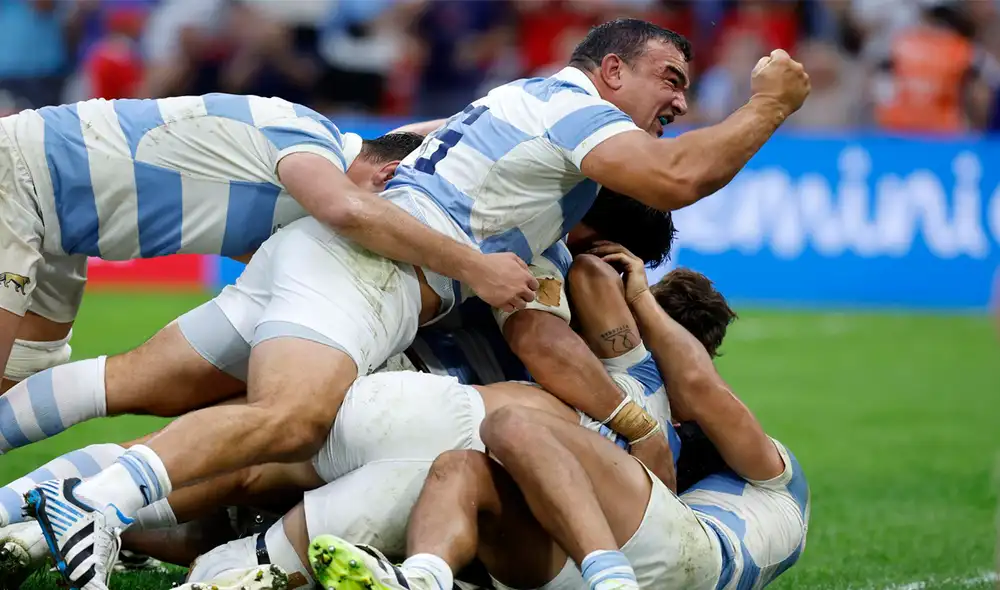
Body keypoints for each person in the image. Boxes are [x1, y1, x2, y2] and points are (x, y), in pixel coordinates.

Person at [28, 17, 810, 590]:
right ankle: (105, 510)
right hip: (367, 280)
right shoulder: (568, 148)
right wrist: (771, 104)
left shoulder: (530, 182)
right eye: (670, 81)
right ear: (610, 72)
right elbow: (676, 180)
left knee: (153, 396)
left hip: (342, 283)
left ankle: (29, 518)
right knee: (288, 431)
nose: (679, 103)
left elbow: (406, 155)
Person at [308, 246, 810, 590]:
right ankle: (424, 578)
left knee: (511, 426)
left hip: (684, 557)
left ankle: (611, 577)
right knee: (458, 470)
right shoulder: (691, 463)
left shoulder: (779, 474)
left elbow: (699, 382)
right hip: (598, 556)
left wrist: (638, 298)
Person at [0, 93, 535, 391]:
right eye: (401, 209)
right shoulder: (308, 137)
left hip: (59, 229)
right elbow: (349, 208)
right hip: (21, 174)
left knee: (23, 379)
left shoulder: (301, 205)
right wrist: (474, 265)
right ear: (387, 178)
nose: (393, 229)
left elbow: (425, 141)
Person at [0, 132, 424, 457]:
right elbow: (347, 209)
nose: (384, 231)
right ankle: (56, 503)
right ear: (387, 176)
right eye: (393, 216)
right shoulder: (312, 157)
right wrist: (464, 265)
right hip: (31, 183)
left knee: (47, 369)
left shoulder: (310, 156)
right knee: (259, 420)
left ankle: (61, 505)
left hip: (62, 199)